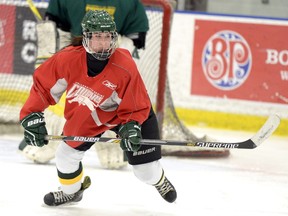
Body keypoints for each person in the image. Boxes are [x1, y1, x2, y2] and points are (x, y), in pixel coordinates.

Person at [19, 10, 177, 206]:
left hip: (130, 115)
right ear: (86, 38)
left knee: (145, 172)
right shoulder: (67, 59)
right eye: (97, 37)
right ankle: (72, 192)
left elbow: (136, 102)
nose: (103, 43)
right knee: (65, 155)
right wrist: (31, 114)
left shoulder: (124, 65)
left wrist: (132, 126)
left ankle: (159, 179)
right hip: (92, 114)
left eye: (108, 37)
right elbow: (43, 88)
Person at [18, 0, 149, 168]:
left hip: (115, 52)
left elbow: (135, 36)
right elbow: (55, 24)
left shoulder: (128, 3)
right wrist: (56, 51)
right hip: (77, 48)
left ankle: (111, 139)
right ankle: (53, 138)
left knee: (110, 93)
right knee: (74, 93)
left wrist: (114, 58)